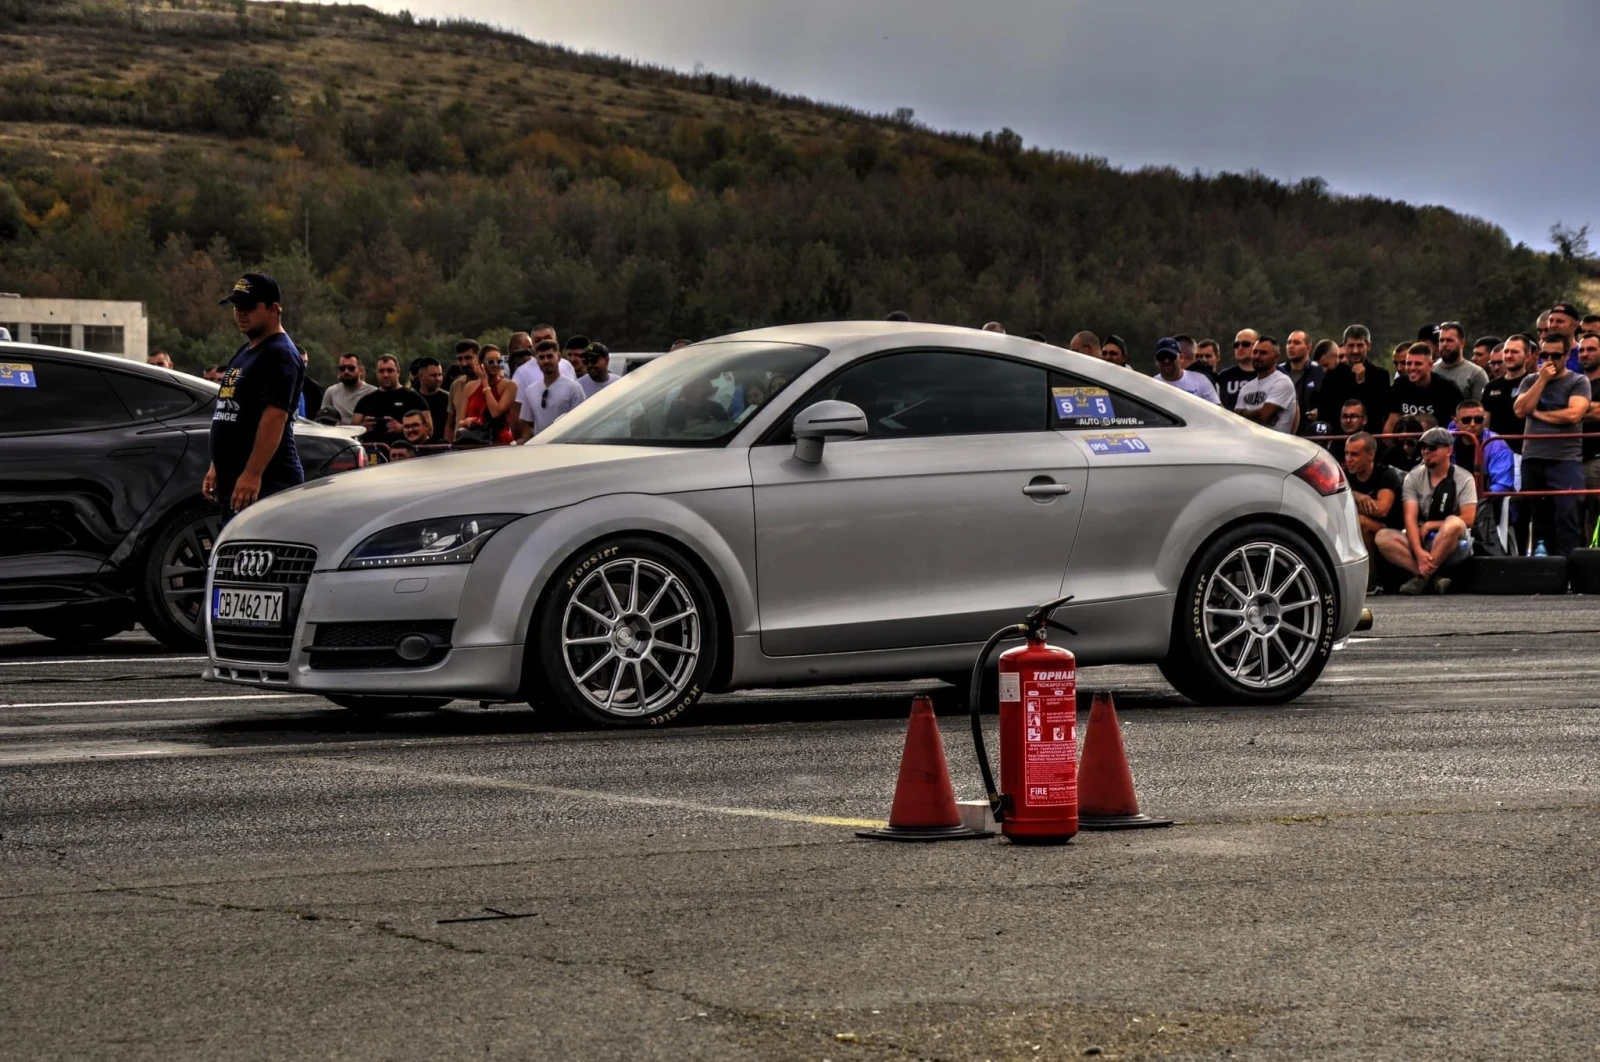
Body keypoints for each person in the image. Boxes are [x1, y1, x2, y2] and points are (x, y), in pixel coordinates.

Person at [203, 272, 304, 514]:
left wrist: (252, 473)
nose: (240, 312)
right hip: (236, 482)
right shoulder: (246, 351)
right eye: (236, 306)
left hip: (268, 483)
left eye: (248, 306)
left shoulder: (279, 354)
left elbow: (275, 417)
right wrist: (216, 465)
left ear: (273, 309)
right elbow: (230, 412)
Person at [1512, 334, 1592, 556]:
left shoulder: (1578, 381)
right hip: (1534, 457)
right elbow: (1520, 410)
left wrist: (1538, 413)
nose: (1550, 360)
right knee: (1537, 515)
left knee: (1568, 514)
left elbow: (1574, 414)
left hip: (1565, 458)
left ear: (1566, 356)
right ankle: (1542, 566)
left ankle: (1570, 566)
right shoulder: (1530, 381)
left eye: (1556, 356)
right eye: (1545, 355)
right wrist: (1542, 380)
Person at [1375, 427, 1476, 594]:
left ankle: (1422, 577)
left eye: (1433, 447)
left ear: (1448, 450)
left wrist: (1431, 525)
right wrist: (1418, 550)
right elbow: (1410, 518)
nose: (1426, 452)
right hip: (1421, 539)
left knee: (1454, 523)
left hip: (1452, 542)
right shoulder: (1413, 477)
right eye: (1423, 447)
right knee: (1382, 537)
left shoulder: (1464, 478)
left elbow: (1469, 518)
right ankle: (1430, 578)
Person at [1342, 431, 1402, 583]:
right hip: (1356, 528)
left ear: (1370, 455)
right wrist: (1356, 496)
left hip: (1391, 529)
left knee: (1362, 522)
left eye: (1354, 454)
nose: (1349, 459)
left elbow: (1381, 510)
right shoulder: (1343, 476)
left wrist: (1351, 505)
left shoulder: (1386, 474)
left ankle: (1372, 580)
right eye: (1347, 454)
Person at [352, 354, 430, 447]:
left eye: (390, 370)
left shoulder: (414, 398)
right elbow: (352, 433)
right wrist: (363, 428)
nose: (385, 375)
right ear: (376, 373)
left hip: (405, 453)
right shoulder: (365, 400)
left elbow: (429, 429)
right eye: (381, 371)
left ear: (398, 372)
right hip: (374, 455)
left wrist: (402, 428)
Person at [513, 339, 585, 440]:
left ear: (559, 357)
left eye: (550, 356)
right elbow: (528, 424)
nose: (546, 361)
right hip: (540, 447)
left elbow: (581, 422)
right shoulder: (531, 391)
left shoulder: (574, 388)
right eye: (541, 357)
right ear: (537, 361)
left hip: (566, 445)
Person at [1385, 343, 1462, 434]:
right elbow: (1392, 422)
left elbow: (1458, 423)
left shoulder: (1448, 388)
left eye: (1418, 364)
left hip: (1438, 442)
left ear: (1430, 365)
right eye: (1409, 363)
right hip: (1406, 441)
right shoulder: (1399, 385)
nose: (1412, 368)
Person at [1233, 335, 1297, 433]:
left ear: (1276, 357)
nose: (1257, 356)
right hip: (1249, 444)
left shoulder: (1282, 382)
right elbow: (1235, 419)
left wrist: (1243, 413)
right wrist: (1257, 413)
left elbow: (1263, 416)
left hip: (1274, 445)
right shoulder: (1246, 388)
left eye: (1263, 353)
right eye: (1255, 352)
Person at [458, 347, 518, 446]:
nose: (496, 365)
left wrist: (485, 384)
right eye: (491, 362)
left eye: (499, 361)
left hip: (499, 442)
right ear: (481, 364)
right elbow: (459, 422)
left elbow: (495, 413)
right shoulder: (469, 387)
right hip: (473, 441)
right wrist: (468, 421)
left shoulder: (509, 386)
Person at [1483, 334, 1533, 447]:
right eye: (1506, 352)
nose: (1509, 356)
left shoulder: (1534, 383)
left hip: (1526, 449)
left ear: (1528, 356)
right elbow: (1486, 423)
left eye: (1515, 352)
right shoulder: (1491, 386)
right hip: (1497, 451)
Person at [1576, 332, 1600, 542]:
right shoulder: (1574, 382)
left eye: (1591, 349)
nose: (1585, 354)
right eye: (1581, 350)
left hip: (1595, 458)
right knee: (1576, 512)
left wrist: (1576, 410)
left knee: (1594, 507)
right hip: (1572, 457)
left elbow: (1572, 413)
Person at [1279, 330, 1326, 434]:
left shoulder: (1319, 372)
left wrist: (1320, 412)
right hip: (1282, 430)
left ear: (1308, 347)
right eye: (1289, 342)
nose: (1291, 346)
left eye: (1296, 343)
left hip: (1309, 431)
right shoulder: (1279, 371)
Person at [1432, 322, 1488, 402]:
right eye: (1441, 340)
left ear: (1462, 342)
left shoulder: (1476, 374)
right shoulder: (1431, 370)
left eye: (1449, 340)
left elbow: (1480, 409)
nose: (1444, 344)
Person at [1151, 337, 1219, 402]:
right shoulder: (1151, 385)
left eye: (1171, 356)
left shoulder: (1201, 381)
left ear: (1181, 358)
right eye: (1161, 357)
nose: (1166, 361)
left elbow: (1217, 410)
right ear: (1156, 361)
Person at [316, 353, 375, 425]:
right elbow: (322, 419)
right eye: (342, 368)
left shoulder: (372, 392)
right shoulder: (331, 392)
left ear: (360, 370)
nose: (346, 371)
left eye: (351, 368)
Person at [446, 343, 485, 441]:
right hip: (459, 446)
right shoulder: (456, 385)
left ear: (479, 358)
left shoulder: (491, 384)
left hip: (485, 445)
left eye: (468, 358)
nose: (464, 363)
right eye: (460, 359)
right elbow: (450, 424)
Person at [1215, 328, 1259, 411]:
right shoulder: (1224, 376)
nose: (1240, 348)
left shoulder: (1271, 374)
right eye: (1236, 345)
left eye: (1245, 344)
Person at [413, 356, 448, 443]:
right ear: (420, 376)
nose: (438, 379)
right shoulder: (412, 398)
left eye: (440, 375)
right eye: (433, 375)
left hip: (443, 446)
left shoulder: (448, 398)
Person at [1545, 301, 1582, 372]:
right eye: (1551, 321)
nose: (1553, 325)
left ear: (1575, 325)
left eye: (1560, 321)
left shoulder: (1583, 353)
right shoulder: (1539, 355)